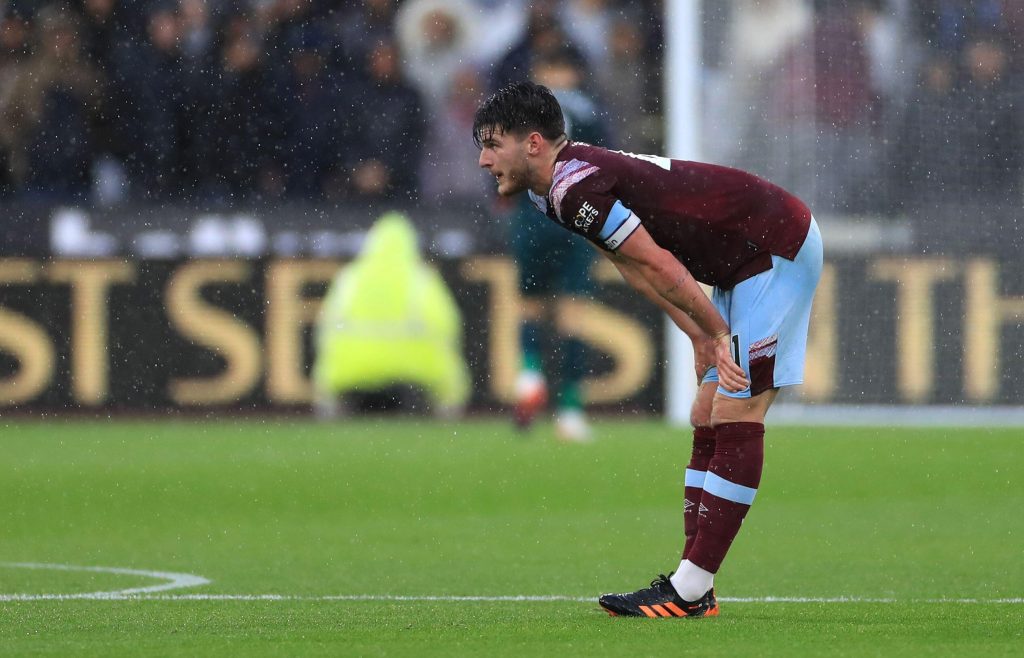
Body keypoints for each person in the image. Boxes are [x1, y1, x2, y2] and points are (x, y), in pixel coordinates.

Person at [472, 81, 822, 618]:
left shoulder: (575, 187)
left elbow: (660, 264)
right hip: (739, 261)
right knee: (705, 411)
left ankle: (689, 590)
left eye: (493, 144)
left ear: (535, 143)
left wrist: (715, 334)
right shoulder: (552, 194)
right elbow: (631, 266)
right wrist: (698, 334)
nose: (482, 159)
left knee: (736, 408)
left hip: (773, 246)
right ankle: (691, 587)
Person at [502, 48, 610, 442]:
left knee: (531, 306)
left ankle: (531, 377)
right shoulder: (590, 113)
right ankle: (569, 410)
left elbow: (500, 170)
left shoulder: (517, 116)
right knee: (572, 315)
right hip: (574, 220)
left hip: (531, 218)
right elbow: (607, 167)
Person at [313, 211, 471, 419]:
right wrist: (452, 397)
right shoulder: (421, 280)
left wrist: (325, 394)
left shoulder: (349, 279)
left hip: (351, 385)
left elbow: (325, 333)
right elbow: (448, 331)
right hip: (410, 387)